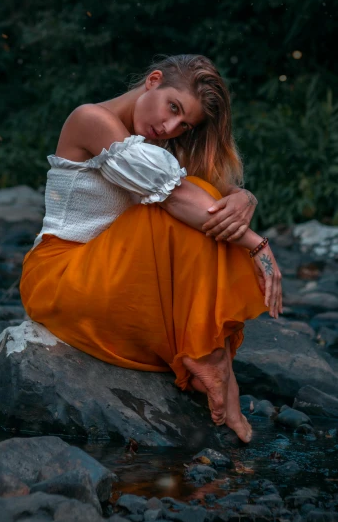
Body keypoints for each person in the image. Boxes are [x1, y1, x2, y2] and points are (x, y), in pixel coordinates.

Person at [20, 54, 283, 442]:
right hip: (61, 276)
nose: (170, 126)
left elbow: (211, 189)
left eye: (183, 124)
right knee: (168, 211)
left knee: (199, 200)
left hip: (113, 279)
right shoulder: (90, 120)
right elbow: (176, 198)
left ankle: (209, 354)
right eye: (172, 107)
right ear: (153, 80)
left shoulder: (156, 144)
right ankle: (209, 356)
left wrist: (245, 197)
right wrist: (258, 246)